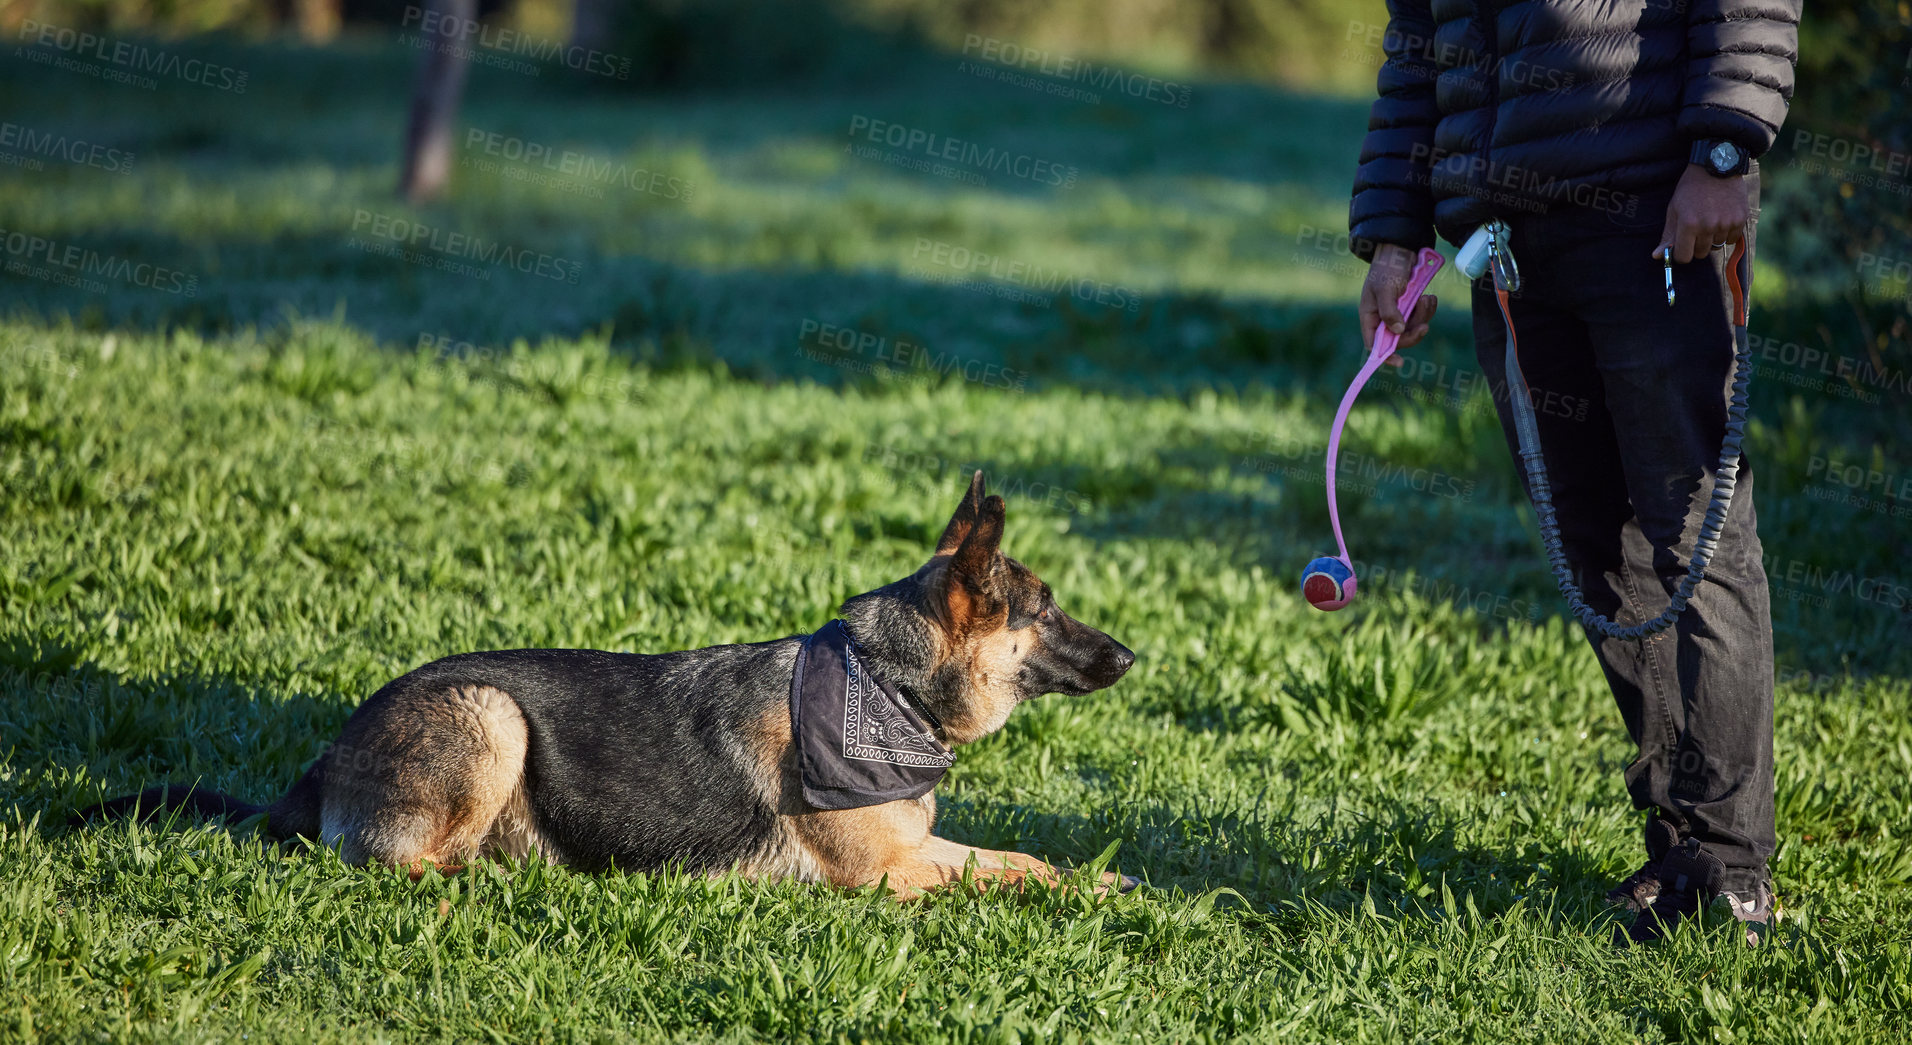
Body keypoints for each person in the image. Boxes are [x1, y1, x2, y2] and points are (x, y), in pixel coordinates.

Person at [1347, 0, 1800, 946]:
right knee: (1595, 539)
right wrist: (1394, 234)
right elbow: (1417, 55)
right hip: (1507, 252)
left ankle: (1732, 869)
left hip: (1648, 220)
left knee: (1694, 531)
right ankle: (1680, 844)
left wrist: (1722, 151)